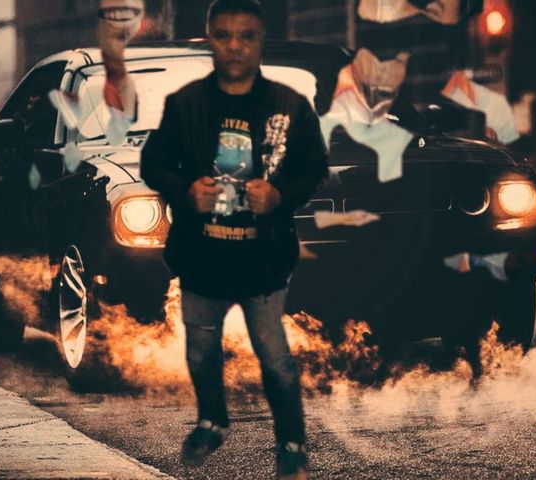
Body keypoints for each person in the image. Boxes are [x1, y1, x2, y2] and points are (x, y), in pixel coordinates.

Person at [139, 1, 328, 477]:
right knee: (201, 351)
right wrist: (186, 191)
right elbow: (153, 165)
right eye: (223, 35)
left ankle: (291, 444)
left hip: (263, 261)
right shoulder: (185, 105)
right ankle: (212, 420)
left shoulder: (289, 105)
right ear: (210, 39)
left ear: (261, 41)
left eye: (246, 35)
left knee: (275, 357)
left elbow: (314, 168)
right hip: (202, 258)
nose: (235, 46)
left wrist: (279, 195)